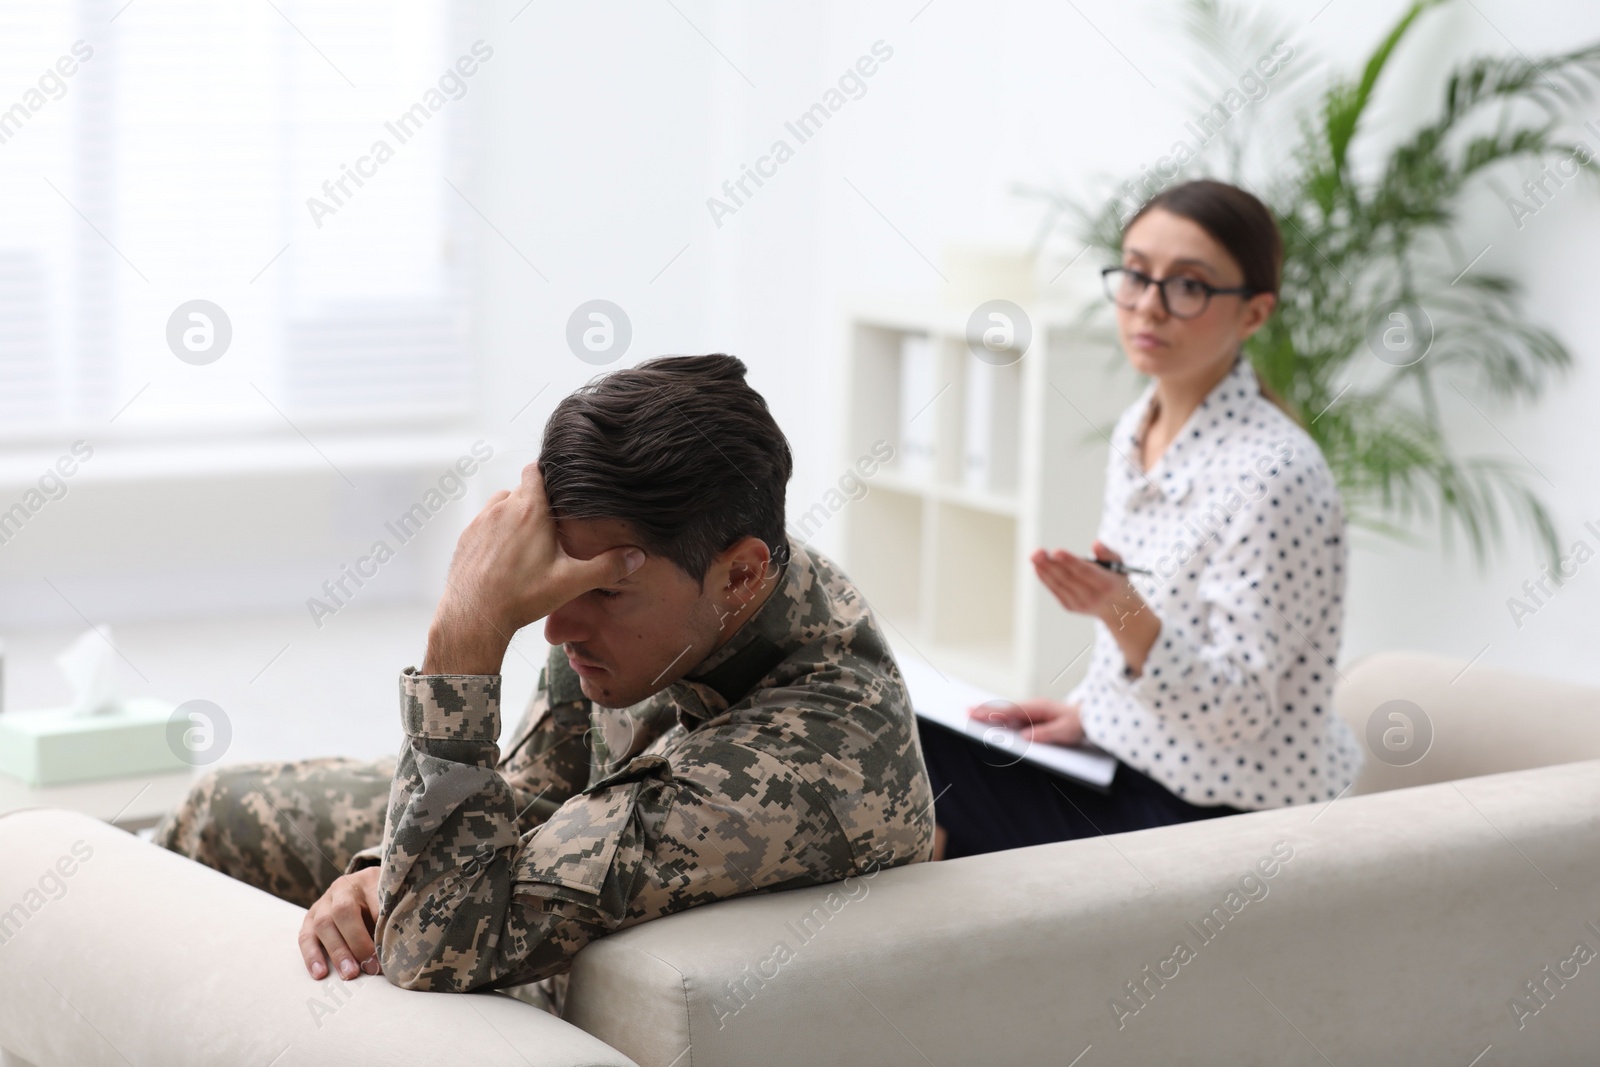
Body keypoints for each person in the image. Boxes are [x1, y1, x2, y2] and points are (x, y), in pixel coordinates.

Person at [155, 353, 935, 995]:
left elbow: (437, 938)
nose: (556, 627)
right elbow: (534, 786)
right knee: (216, 808)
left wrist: (465, 635)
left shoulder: (801, 763)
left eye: (602, 590)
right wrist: (373, 873)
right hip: (557, 858)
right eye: (558, 583)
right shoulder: (690, 590)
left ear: (739, 575)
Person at [920, 179, 1363, 860]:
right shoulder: (1142, 426)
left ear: (1253, 313)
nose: (1148, 305)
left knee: (919, 758)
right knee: (928, 730)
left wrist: (1123, 612)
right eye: (1135, 273)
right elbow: (1161, 655)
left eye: (1188, 285)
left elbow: (1241, 706)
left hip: (1219, 815)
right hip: (1134, 762)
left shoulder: (1273, 476)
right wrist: (1090, 717)